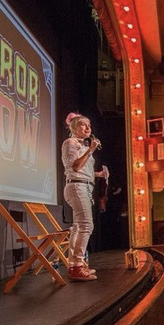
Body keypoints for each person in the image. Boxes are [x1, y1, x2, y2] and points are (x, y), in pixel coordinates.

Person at [62, 113, 108, 281]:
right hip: (76, 186)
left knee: (79, 227)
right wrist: (91, 150)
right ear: (73, 127)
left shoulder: (81, 145)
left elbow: (83, 170)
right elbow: (75, 166)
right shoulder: (70, 143)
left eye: (89, 125)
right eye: (83, 125)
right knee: (86, 225)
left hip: (84, 186)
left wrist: (98, 174)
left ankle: (76, 264)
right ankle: (76, 266)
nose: (88, 128)